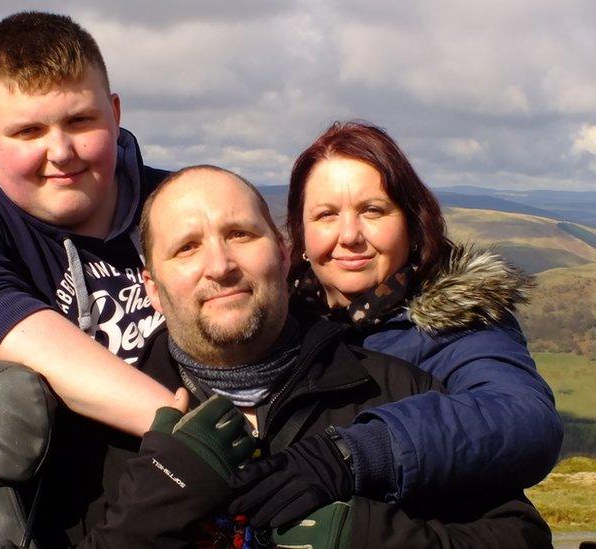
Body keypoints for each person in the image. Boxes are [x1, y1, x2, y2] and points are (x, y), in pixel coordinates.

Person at [0, 165, 552, 547]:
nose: (220, 264)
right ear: (152, 288)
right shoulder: (94, 430)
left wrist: (369, 535)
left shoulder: (393, 392)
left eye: (240, 233)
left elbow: (521, 536)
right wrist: (165, 492)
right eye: (186, 248)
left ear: (284, 254)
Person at [231, 121, 563, 527]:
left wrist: (357, 454)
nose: (349, 235)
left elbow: (524, 418)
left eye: (372, 210)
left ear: (411, 220)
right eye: (325, 215)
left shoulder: (460, 324)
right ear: (300, 232)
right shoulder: (276, 321)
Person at [0, 12, 186, 474]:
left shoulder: (180, 203)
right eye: (28, 131)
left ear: (115, 113)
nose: (61, 152)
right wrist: (186, 432)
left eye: (80, 121)